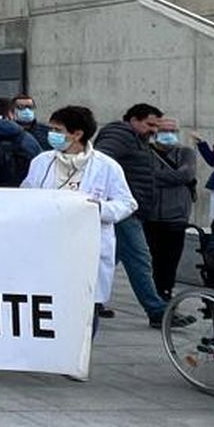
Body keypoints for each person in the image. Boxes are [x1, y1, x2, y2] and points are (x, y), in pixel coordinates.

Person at [22, 106, 136, 322]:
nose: (51, 134)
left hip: (87, 245)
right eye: (51, 129)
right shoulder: (42, 162)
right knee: (49, 304)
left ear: (77, 134)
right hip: (49, 244)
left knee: (85, 309)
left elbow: (127, 203)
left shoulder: (107, 166)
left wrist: (99, 208)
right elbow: (25, 195)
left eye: (58, 130)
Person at [94, 103, 175, 327]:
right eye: (149, 124)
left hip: (130, 210)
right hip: (122, 212)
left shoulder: (137, 139)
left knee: (109, 258)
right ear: (133, 120)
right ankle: (157, 311)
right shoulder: (120, 135)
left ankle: (92, 299)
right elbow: (101, 161)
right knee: (140, 259)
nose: (154, 130)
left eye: (156, 126)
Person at [145, 119, 198, 299]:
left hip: (177, 216)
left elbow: (185, 175)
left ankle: (166, 292)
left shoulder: (186, 153)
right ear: (154, 133)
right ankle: (155, 293)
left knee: (171, 258)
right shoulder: (146, 153)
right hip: (151, 215)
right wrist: (172, 177)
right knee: (152, 258)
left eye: (173, 131)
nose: (169, 134)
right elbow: (145, 176)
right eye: (164, 131)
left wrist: (158, 177)